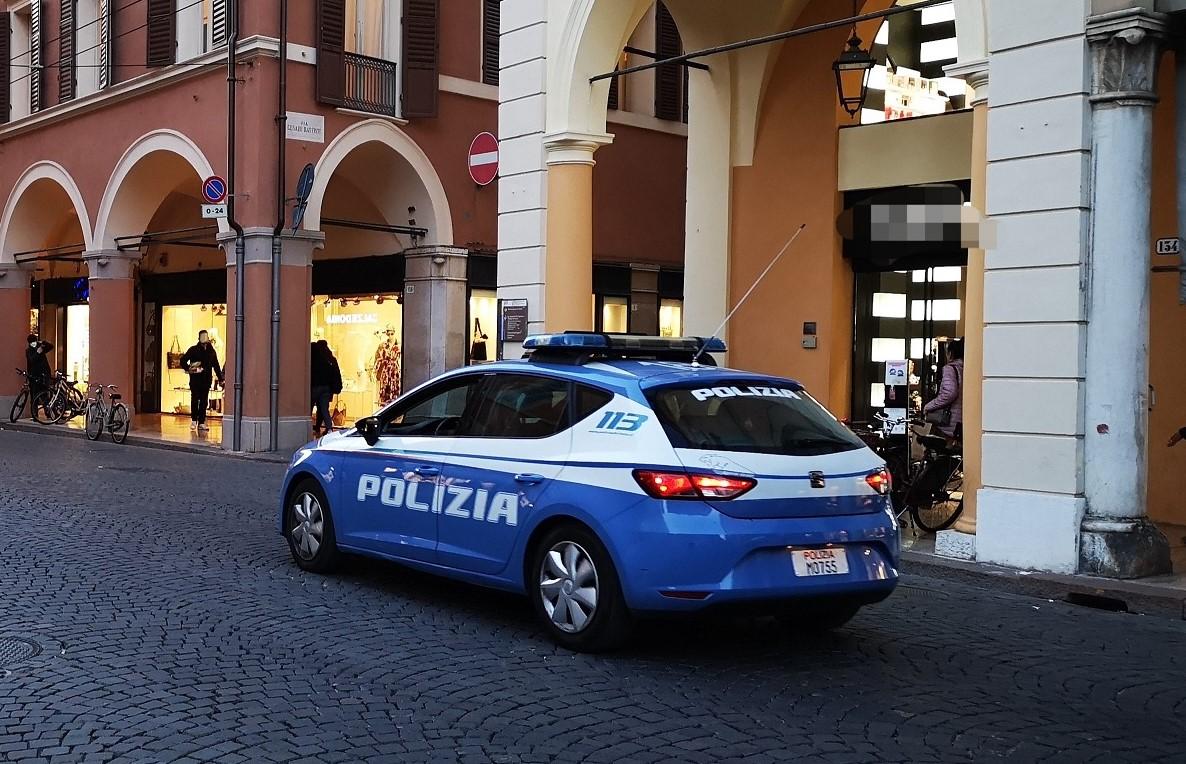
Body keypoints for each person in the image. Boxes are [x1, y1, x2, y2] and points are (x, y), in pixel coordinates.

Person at [180, 330, 224, 432]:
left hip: (206, 380)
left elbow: (216, 365)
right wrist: (189, 369)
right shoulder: (193, 350)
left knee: (204, 401)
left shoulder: (211, 352)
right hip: (195, 380)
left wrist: (221, 379)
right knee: (195, 399)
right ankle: (194, 420)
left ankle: (201, 422)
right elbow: (183, 360)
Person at [923, 338, 964, 440]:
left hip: (948, 423)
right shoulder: (965, 368)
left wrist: (929, 406)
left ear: (951, 353)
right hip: (961, 421)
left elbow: (950, 393)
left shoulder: (950, 369)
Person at [310, 340, 342, 436]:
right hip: (327, 388)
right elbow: (336, 373)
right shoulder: (330, 358)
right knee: (324, 409)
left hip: (315, 386)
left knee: (309, 407)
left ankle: (309, 426)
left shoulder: (314, 358)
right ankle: (329, 428)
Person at [25, 334, 53, 417]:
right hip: (34, 376)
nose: (33, 343)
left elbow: (51, 346)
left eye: (34, 341)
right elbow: (32, 360)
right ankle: (34, 415)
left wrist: (43, 342)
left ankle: (48, 413)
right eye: (32, 342)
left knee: (45, 395)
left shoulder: (40, 347)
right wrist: (37, 353)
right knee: (34, 396)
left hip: (44, 375)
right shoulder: (29, 351)